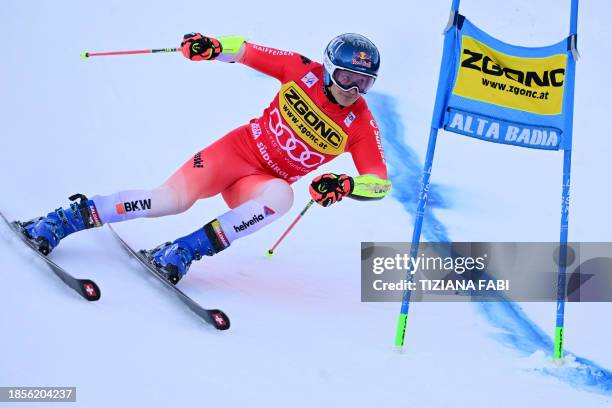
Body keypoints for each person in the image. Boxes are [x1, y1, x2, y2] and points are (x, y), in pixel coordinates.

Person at [21, 32, 392, 284]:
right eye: (347, 77)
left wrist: (346, 185)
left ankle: (183, 250)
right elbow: (246, 50)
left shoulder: (360, 124)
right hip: (234, 153)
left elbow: (379, 182)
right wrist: (211, 46)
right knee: (169, 200)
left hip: (256, 184)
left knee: (282, 198)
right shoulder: (300, 70)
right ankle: (63, 220)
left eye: (365, 82)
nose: (353, 90)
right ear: (329, 68)